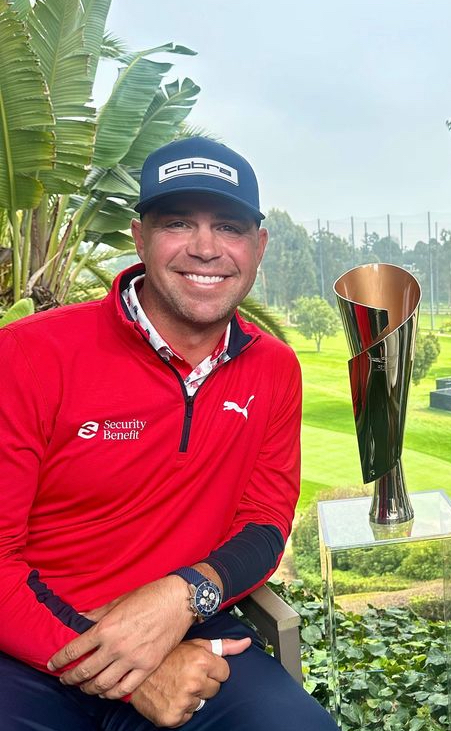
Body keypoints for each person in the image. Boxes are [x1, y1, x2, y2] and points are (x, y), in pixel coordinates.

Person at [0, 137, 339, 731]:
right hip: (28, 649)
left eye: (229, 227)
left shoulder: (274, 368)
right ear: (139, 237)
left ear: (257, 247)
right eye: (179, 223)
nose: (206, 248)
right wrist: (133, 666)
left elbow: (264, 524)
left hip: (193, 628)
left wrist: (183, 596)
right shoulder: (28, 355)